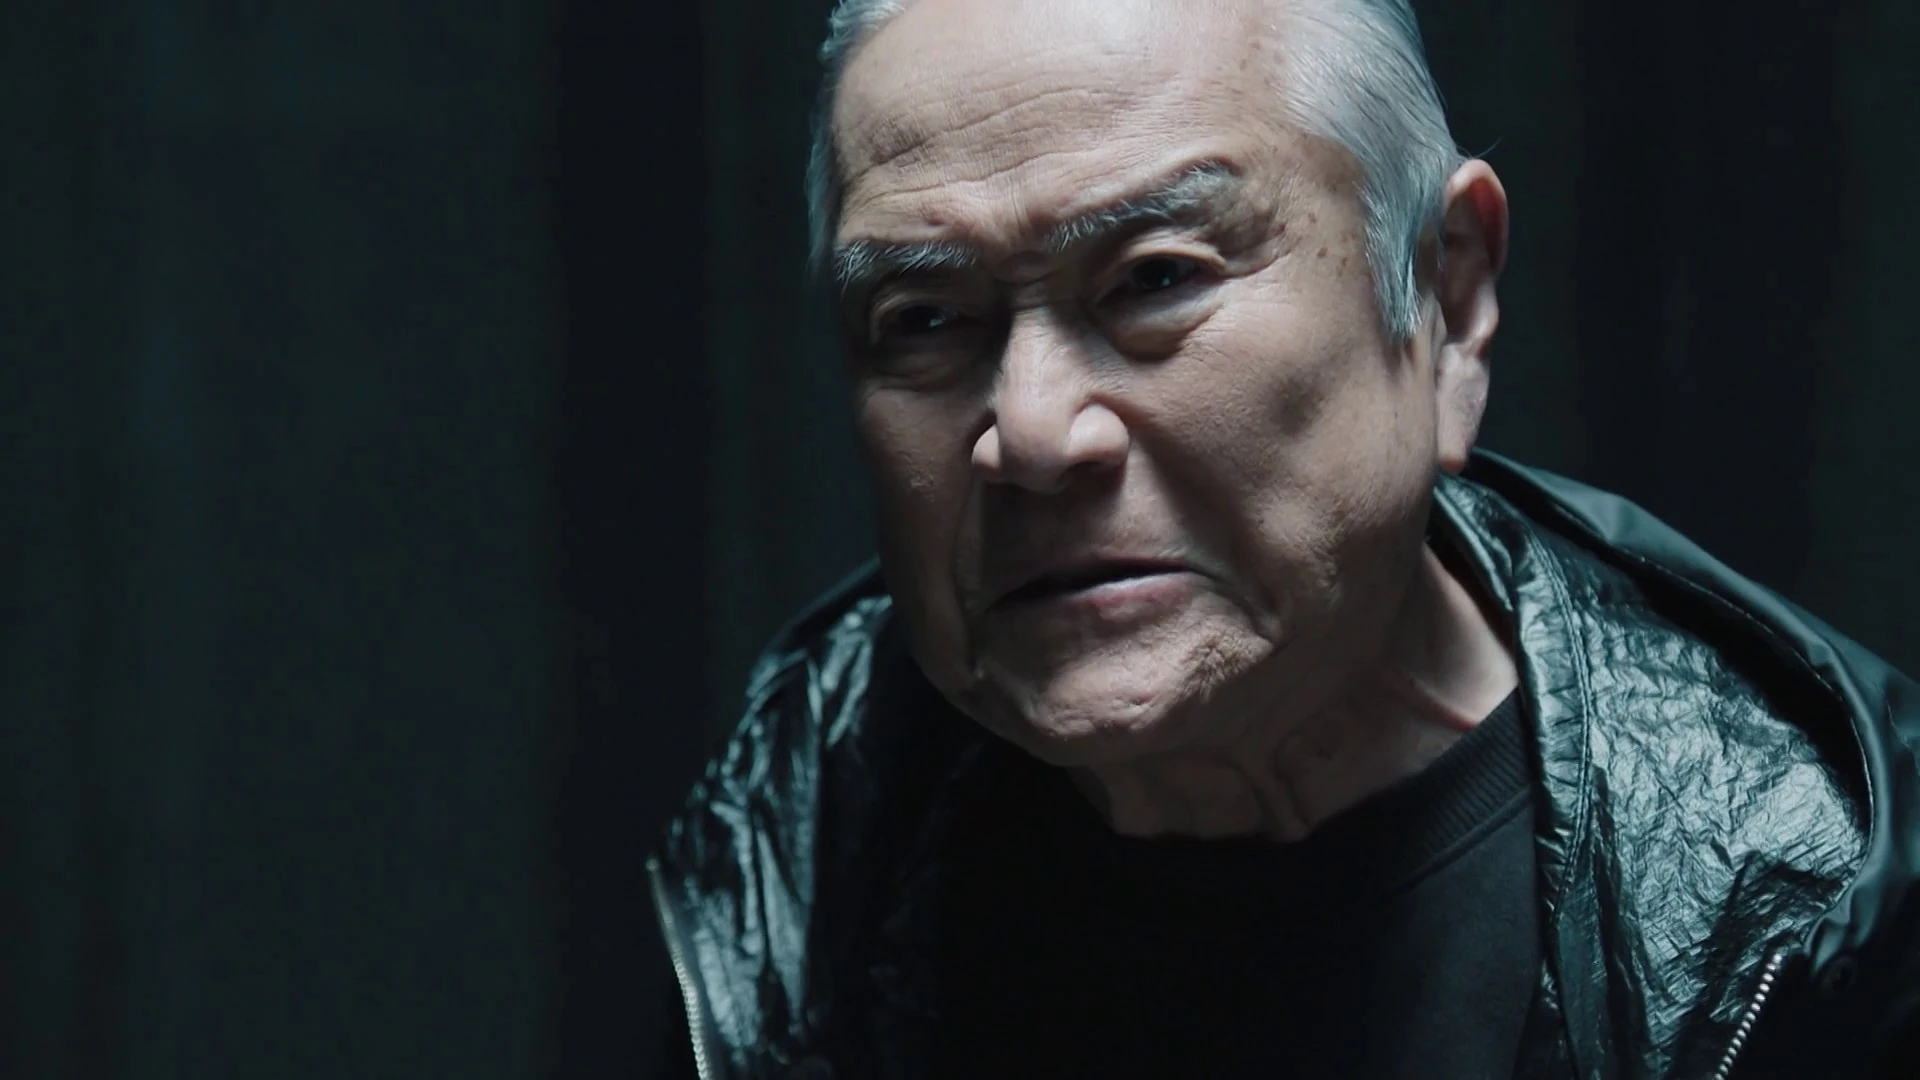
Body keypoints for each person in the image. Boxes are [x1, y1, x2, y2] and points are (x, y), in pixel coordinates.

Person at [649, 0, 1920, 1076]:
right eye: (924, 318)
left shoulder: (1821, 914)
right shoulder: (792, 838)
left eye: (1156, 276)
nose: (1030, 434)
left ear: (1444, 295)